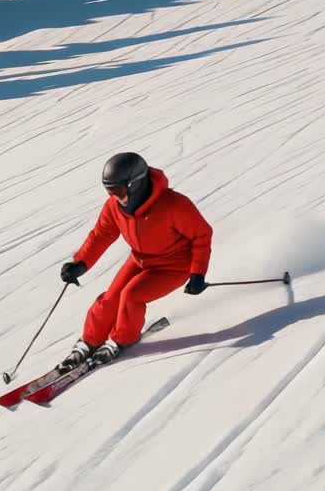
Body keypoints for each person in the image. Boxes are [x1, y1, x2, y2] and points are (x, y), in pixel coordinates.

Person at [58, 152, 213, 371]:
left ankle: (122, 339)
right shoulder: (114, 206)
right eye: (110, 191)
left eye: (119, 191)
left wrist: (198, 273)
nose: (115, 196)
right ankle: (89, 342)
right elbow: (102, 235)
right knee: (110, 298)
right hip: (140, 260)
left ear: (136, 184)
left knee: (131, 296)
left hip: (174, 266)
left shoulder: (174, 205)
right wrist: (80, 263)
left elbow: (201, 235)